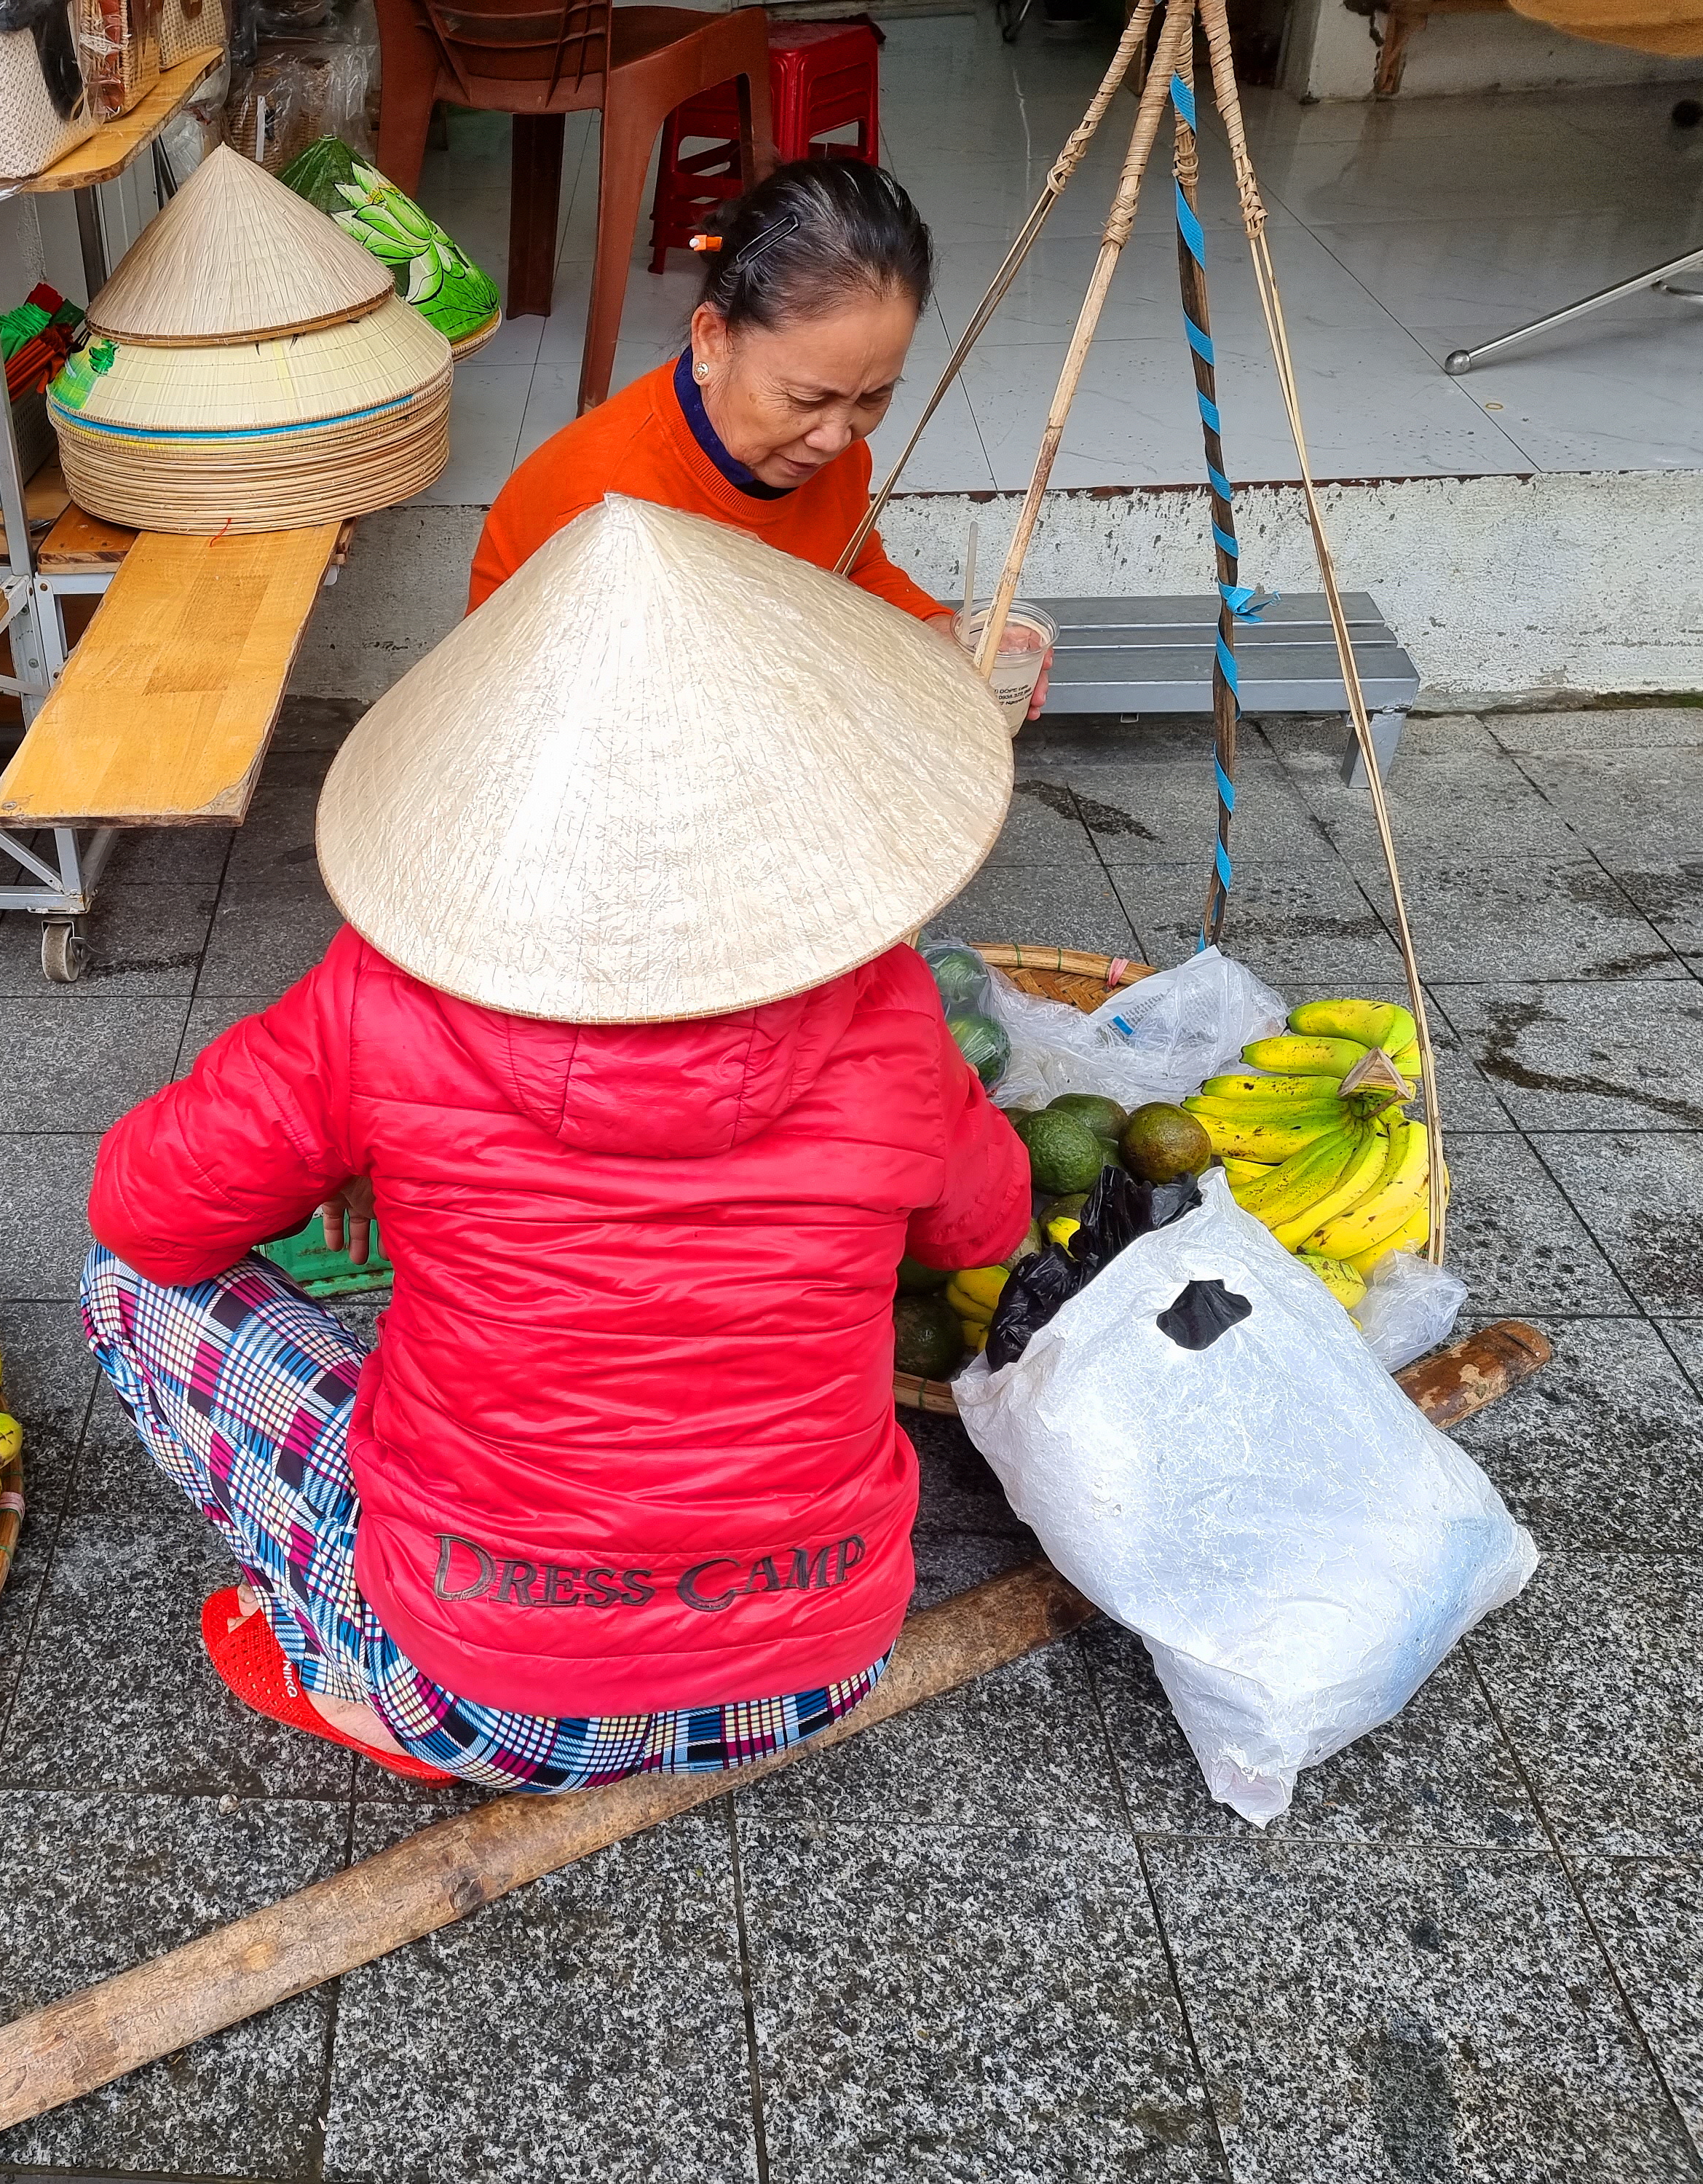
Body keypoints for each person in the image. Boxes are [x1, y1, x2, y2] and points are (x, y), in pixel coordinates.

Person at [81, 496, 1028, 1790]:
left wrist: (366, 1145)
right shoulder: (896, 1017)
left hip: (486, 1696)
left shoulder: (381, 1002)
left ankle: (361, 1684)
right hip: (813, 1671)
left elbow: (143, 1210)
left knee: (127, 1286)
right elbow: (985, 1227)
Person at [469, 159, 1045, 716]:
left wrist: (936, 633)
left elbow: (849, 565)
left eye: (873, 396)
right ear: (714, 339)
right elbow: (569, 720)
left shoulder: (824, 444)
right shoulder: (602, 509)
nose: (835, 437)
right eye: (805, 399)